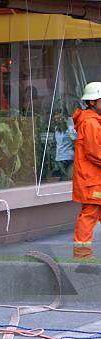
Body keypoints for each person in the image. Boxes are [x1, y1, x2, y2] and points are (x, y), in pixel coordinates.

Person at [72, 82, 101, 259]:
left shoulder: (94, 121)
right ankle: (82, 254)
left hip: (94, 179)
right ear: (92, 102)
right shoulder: (90, 123)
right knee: (89, 214)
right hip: (92, 181)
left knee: (90, 214)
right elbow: (95, 152)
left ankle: (82, 253)